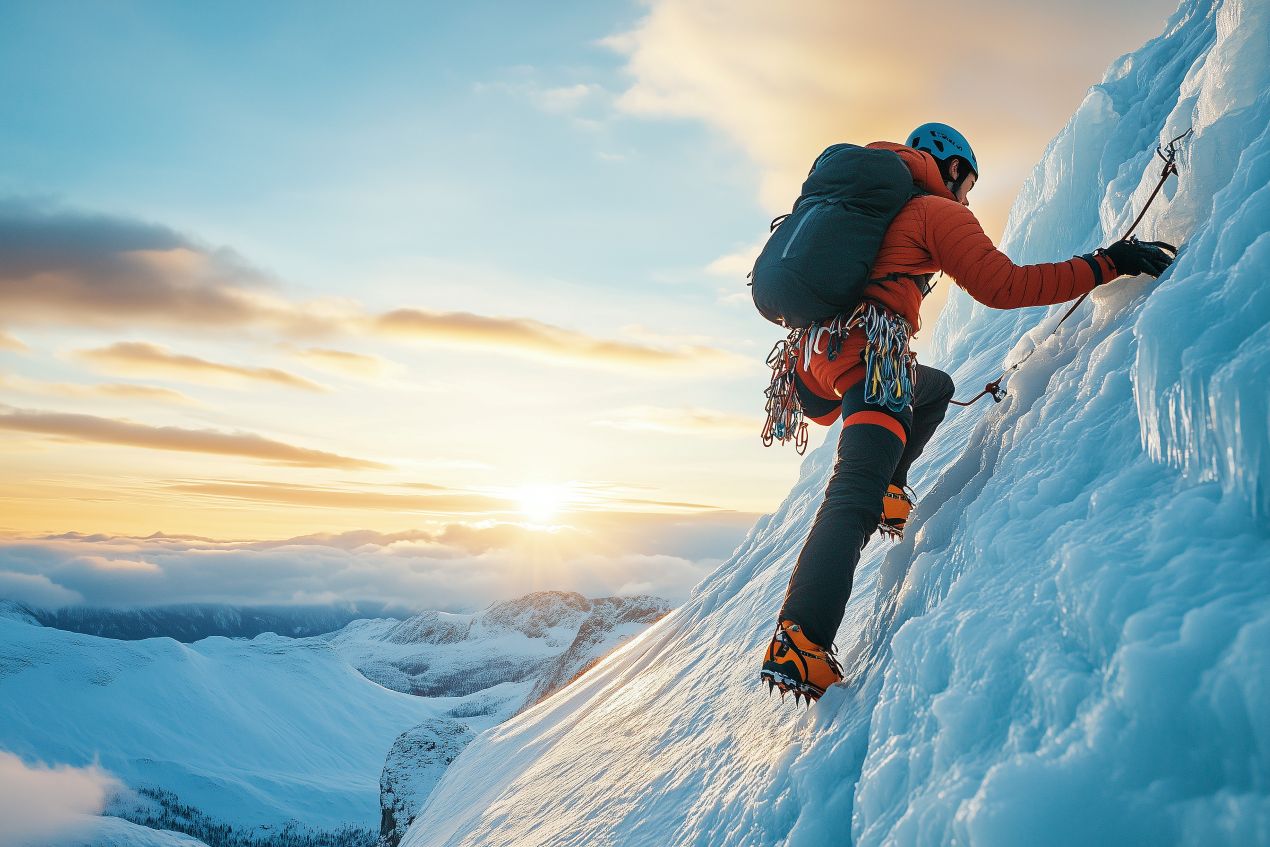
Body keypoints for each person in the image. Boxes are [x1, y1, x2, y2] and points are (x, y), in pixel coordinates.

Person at [760, 123, 1176, 704]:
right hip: (867, 356)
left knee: (932, 389)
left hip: (814, 361)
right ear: (951, 168)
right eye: (969, 181)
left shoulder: (859, 201)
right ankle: (800, 640)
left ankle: (890, 486)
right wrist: (1108, 263)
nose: (968, 195)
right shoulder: (933, 210)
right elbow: (1004, 286)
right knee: (851, 489)